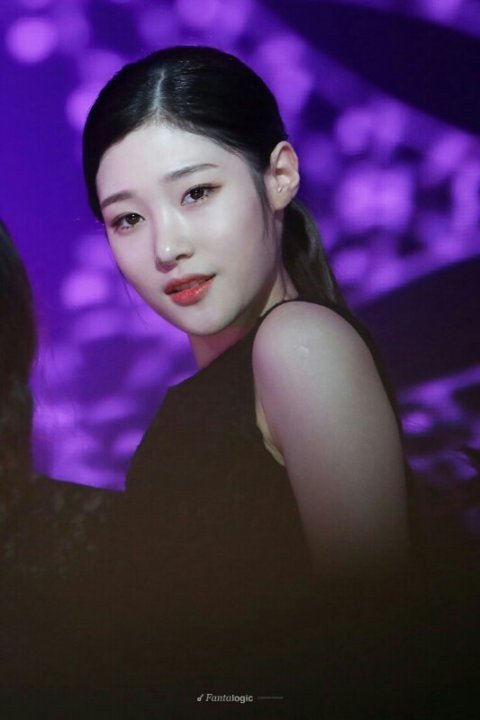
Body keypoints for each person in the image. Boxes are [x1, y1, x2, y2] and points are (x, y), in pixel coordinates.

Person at [80, 46, 417, 710]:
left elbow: (377, 644)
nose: (166, 247)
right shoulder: (237, 380)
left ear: (280, 176)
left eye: (197, 192)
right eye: (128, 219)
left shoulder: (297, 344)